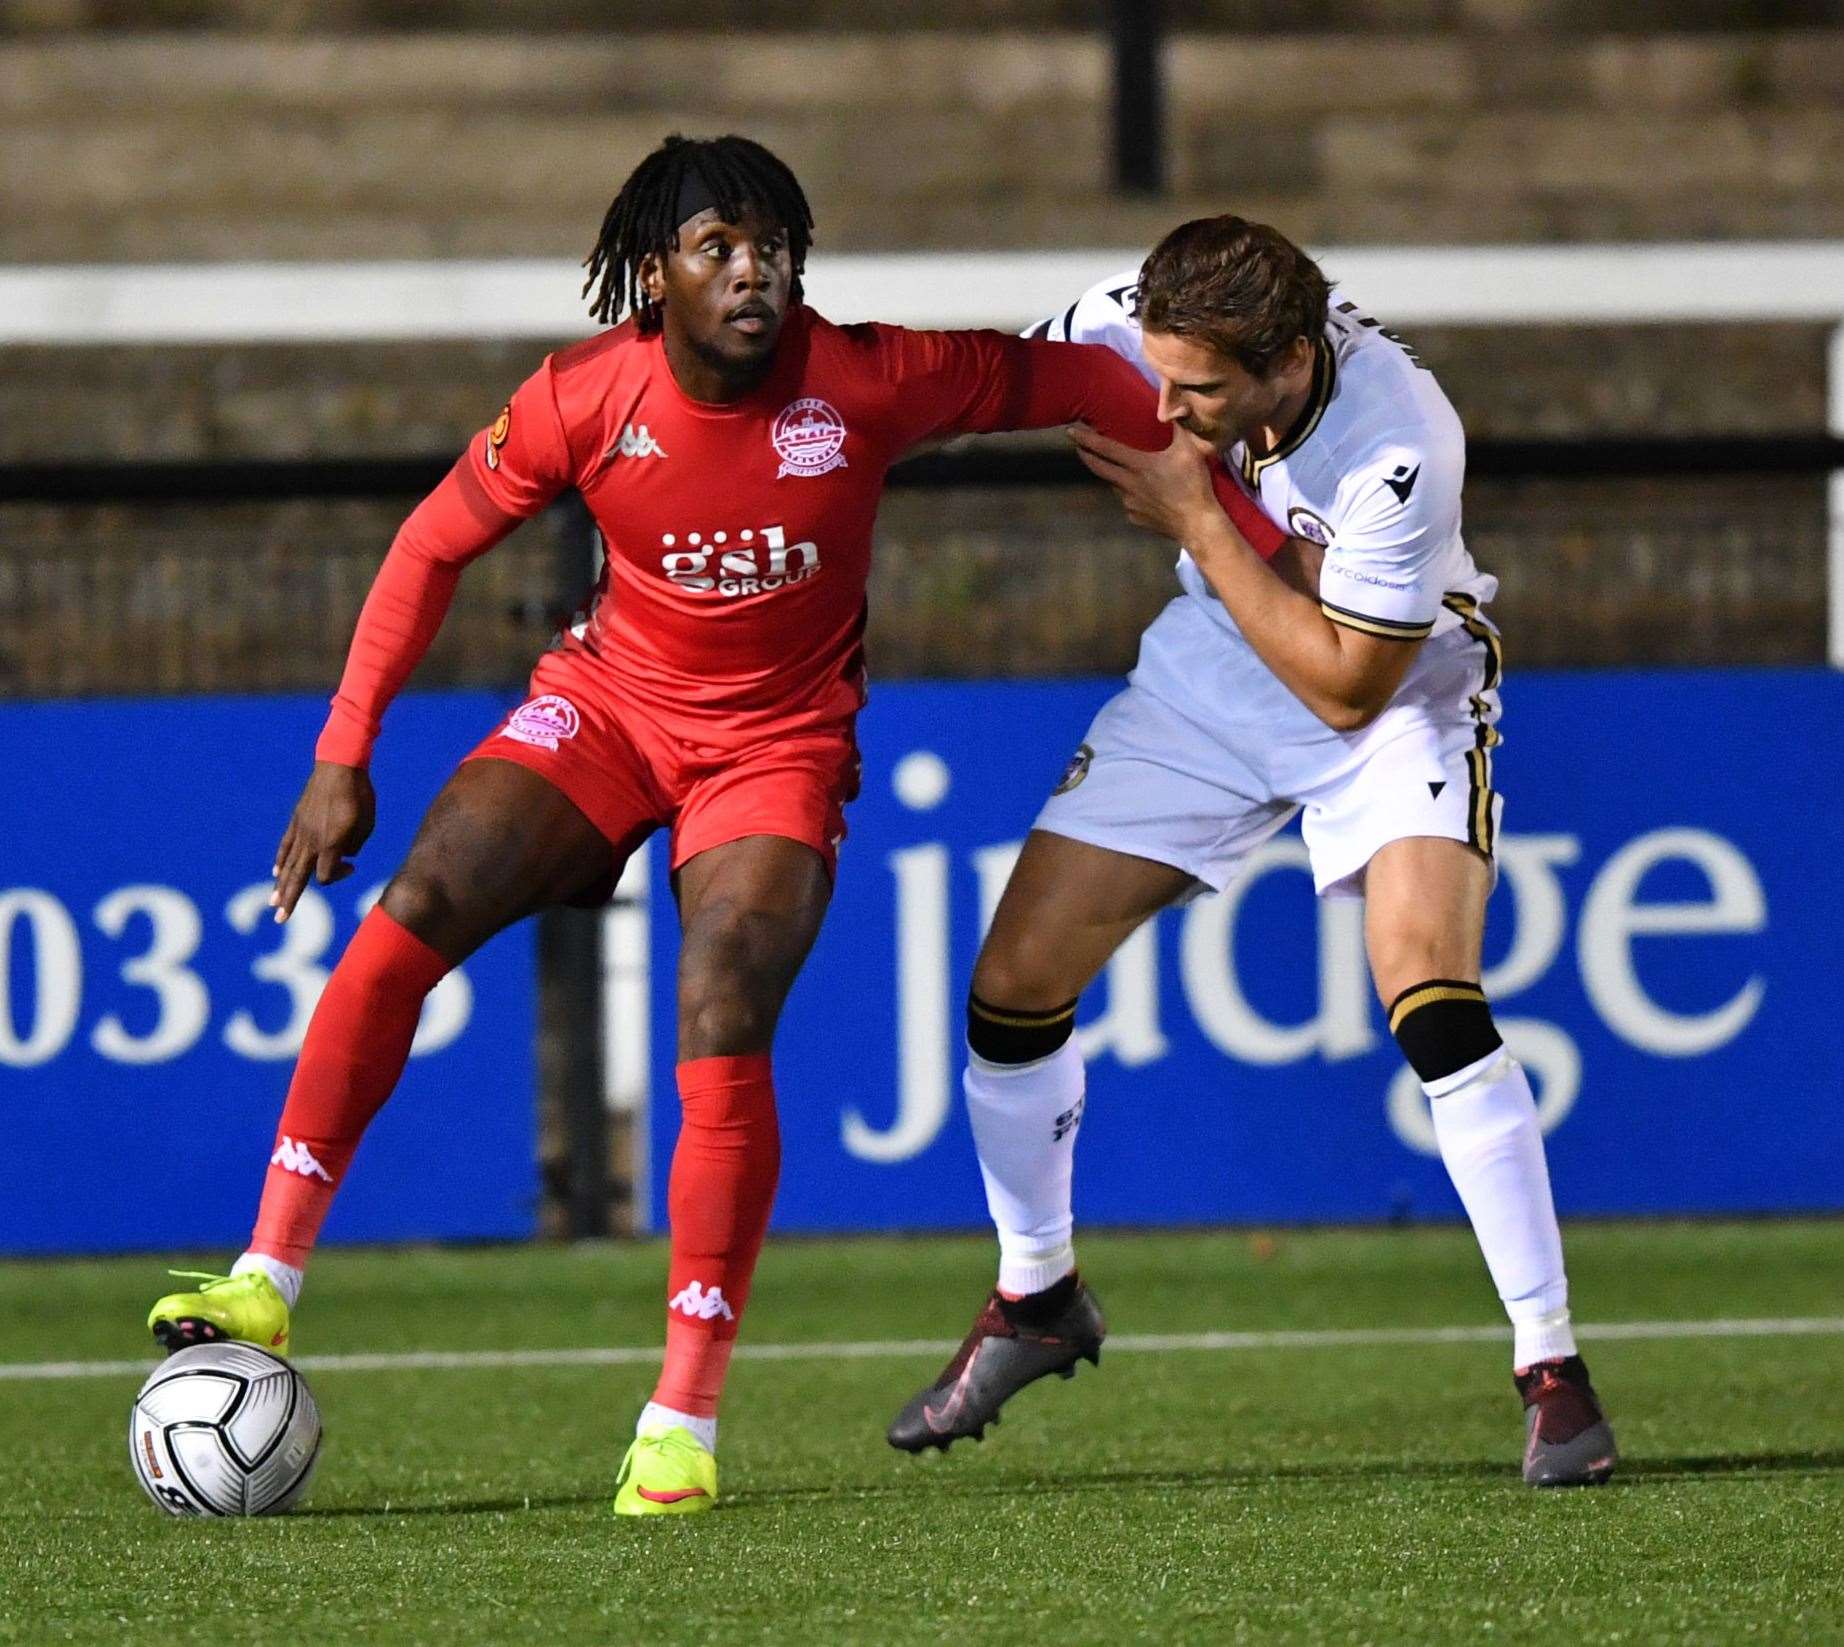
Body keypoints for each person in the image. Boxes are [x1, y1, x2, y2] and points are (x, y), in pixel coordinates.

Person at [145, 137, 1286, 1517]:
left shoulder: (867, 377)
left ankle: (679, 1419)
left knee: (725, 994)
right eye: (718, 250)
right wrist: (343, 754)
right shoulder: (582, 398)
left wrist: (1252, 528)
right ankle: (265, 1281)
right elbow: (429, 544)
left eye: (774, 248)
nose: (755, 272)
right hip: (610, 705)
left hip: (776, 744)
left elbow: (1085, 376)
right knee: (419, 903)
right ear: (653, 274)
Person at [886, 215, 1617, 1489]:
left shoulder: (1398, 445)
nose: (1165, 402)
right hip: (1215, 673)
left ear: (1287, 359)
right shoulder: (1141, 319)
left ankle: (1551, 1370)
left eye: (1199, 391)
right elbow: (993, 379)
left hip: (1393, 694)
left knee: (1427, 992)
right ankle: (1036, 1294)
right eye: (1157, 374)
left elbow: (1344, 685)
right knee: (1011, 986)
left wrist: (1194, 512)